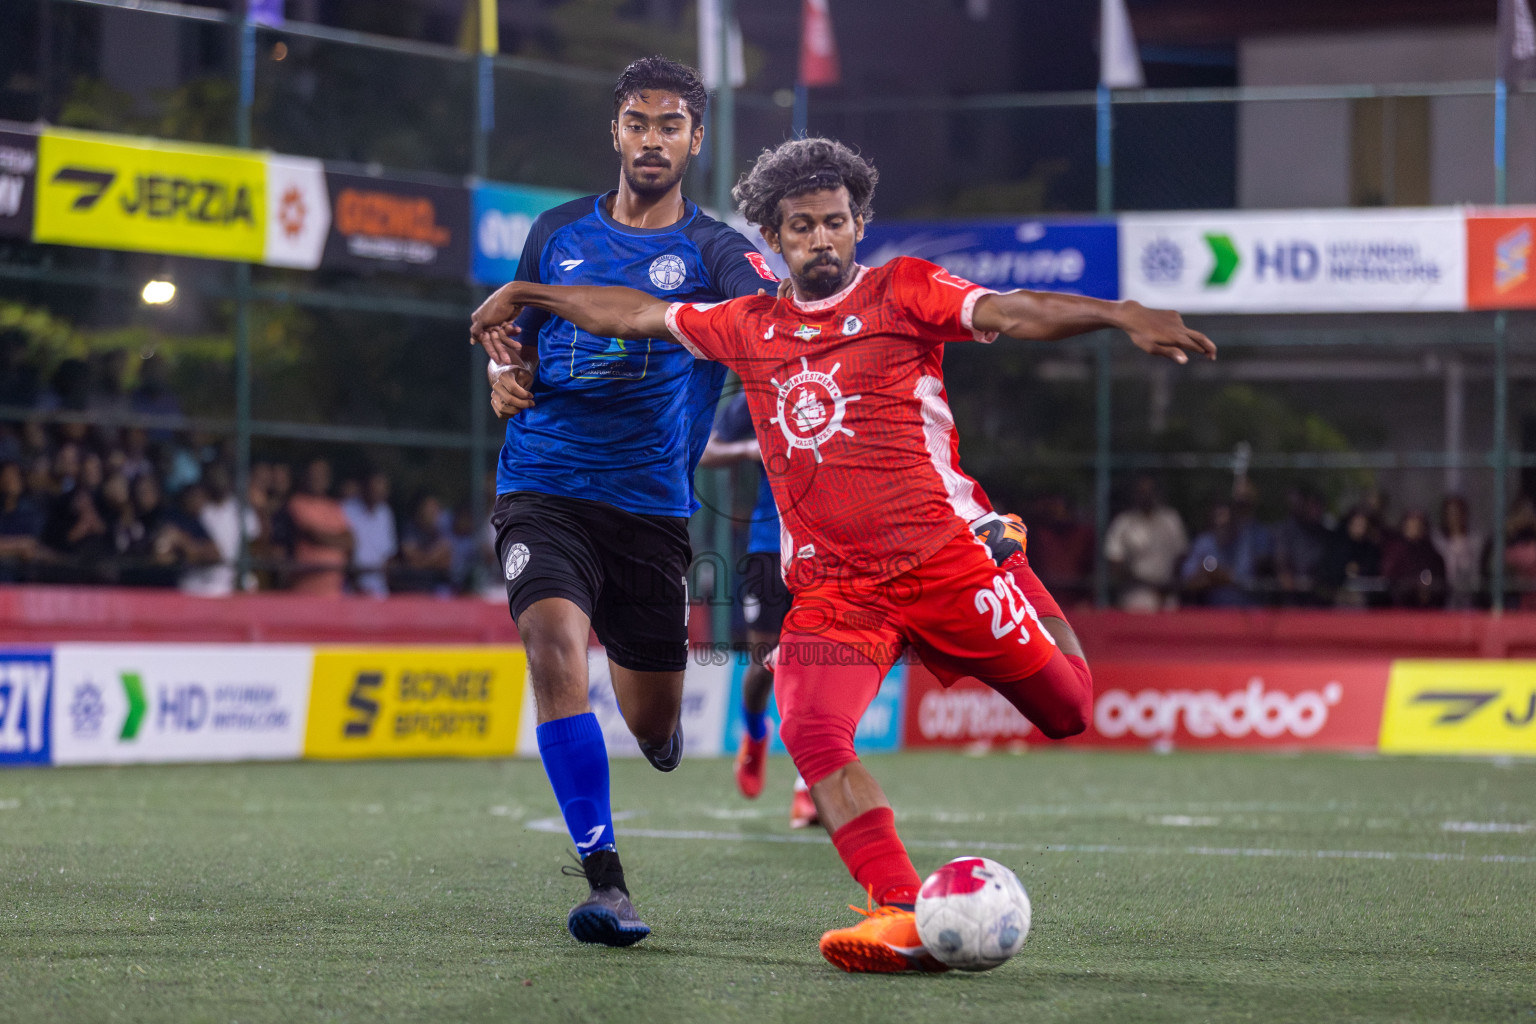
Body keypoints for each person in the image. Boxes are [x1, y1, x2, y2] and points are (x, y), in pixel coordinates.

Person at [471, 136, 1214, 972]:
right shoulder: (745, 323)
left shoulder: (905, 291)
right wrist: (526, 291)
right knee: (813, 727)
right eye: (801, 227)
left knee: (1070, 709)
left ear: (860, 224)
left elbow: (1014, 309)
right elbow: (630, 311)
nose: (820, 239)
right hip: (837, 591)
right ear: (774, 241)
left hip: (949, 563)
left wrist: (1120, 316)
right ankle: (901, 911)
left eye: (834, 223)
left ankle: (1015, 562)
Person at [472, 57, 778, 947]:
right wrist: (504, 373)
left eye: (670, 124)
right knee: (554, 644)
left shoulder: (719, 254)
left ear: (696, 138)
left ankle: (662, 731)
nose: (652, 138)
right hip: (544, 488)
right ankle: (606, 883)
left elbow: (771, 323)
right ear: (615, 131)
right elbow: (512, 342)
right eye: (638, 122)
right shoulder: (557, 230)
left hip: (650, 511)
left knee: (651, 724)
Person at [697, 390, 819, 824]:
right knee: (764, 663)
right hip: (770, 549)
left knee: (815, 664)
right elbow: (705, 450)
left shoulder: (844, 385)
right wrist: (751, 447)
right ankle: (754, 733)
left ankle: (808, 787)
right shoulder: (758, 395)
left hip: (828, 550)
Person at [1104, 474, 1188, 612]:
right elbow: (1115, 563)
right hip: (1136, 597)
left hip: (1167, 595)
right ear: (1135, 494)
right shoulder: (1123, 523)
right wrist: (1148, 585)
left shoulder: (1171, 520)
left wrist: (1168, 587)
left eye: (1150, 491)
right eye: (1142, 492)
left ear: (1157, 493)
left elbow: (1182, 556)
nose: (1146, 496)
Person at [282, 458, 353, 596]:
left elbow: (350, 540)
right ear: (306, 475)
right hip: (305, 592)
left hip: (334, 594)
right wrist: (338, 539)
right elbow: (315, 536)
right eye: (314, 474)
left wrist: (327, 538)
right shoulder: (297, 503)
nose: (318, 478)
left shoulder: (334, 506)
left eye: (322, 474)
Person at [343, 471, 397, 598]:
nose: (378, 491)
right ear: (365, 486)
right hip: (351, 590)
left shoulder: (386, 513)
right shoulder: (346, 509)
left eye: (382, 487)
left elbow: (388, 554)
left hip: (379, 592)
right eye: (374, 486)